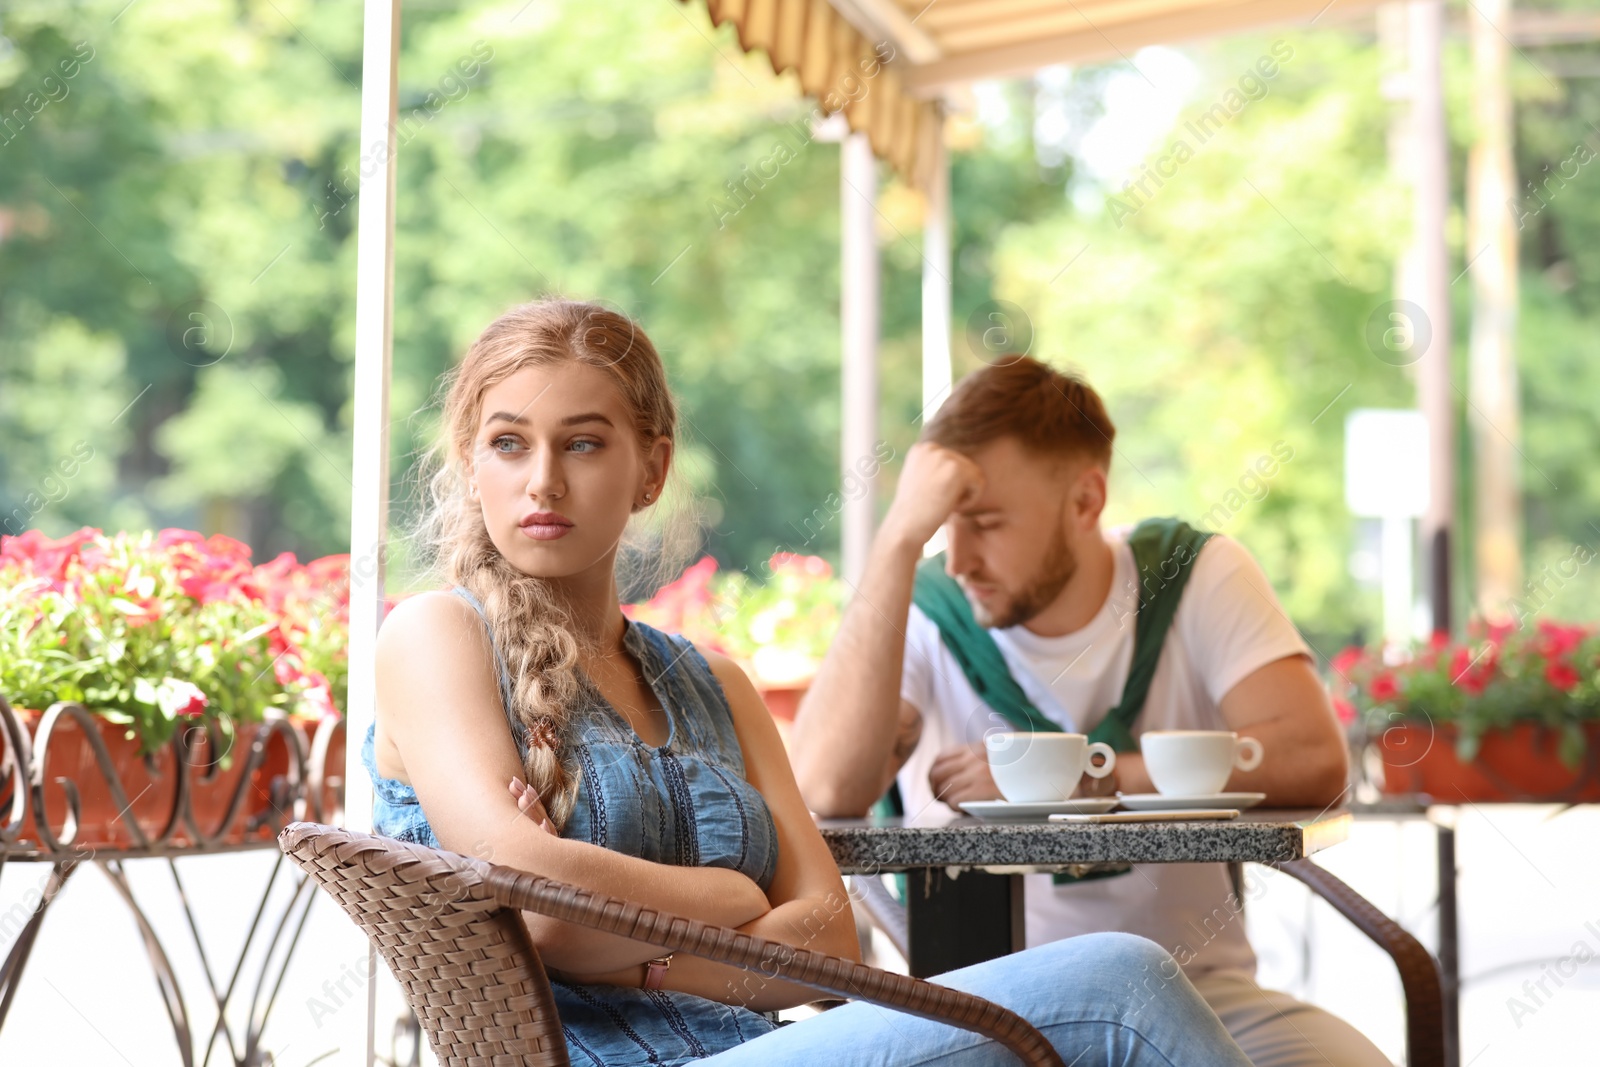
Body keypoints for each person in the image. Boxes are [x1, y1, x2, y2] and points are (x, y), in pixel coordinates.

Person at [362, 300, 1254, 1066]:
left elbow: (833, 939)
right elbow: (537, 912)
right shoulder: (436, 637)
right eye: (508, 444)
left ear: (653, 469)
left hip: (770, 1046)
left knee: (1110, 999)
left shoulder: (714, 684)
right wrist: (733, 902)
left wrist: (644, 948)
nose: (543, 480)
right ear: (472, 465)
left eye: (584, 443)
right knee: (1118, 981)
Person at [789, 356, 1391, 1067]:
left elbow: (1316, 762)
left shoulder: (1194, 574)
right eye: (943, 528)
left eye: (984, 522)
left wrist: (1093, 779)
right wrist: (895, 542)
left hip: (1201, 988)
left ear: (1085, 500)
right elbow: (823, 790)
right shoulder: (926, 610)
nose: (960, 560)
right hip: (981, 1007)